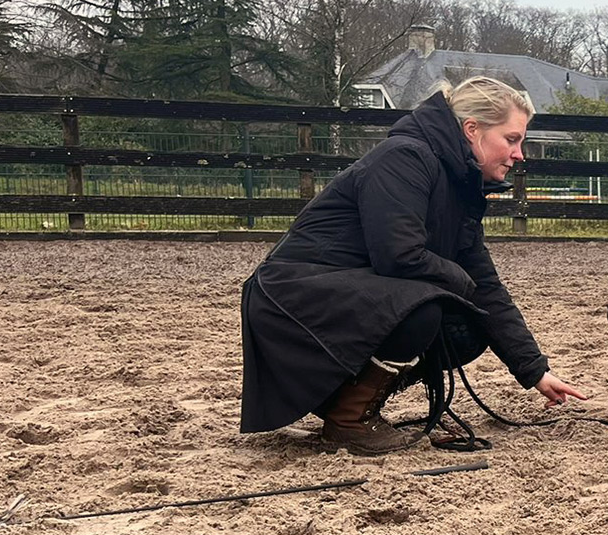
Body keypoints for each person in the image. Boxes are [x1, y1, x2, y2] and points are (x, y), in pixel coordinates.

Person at [240, 76, 584, 453]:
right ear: (473, 130)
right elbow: (399, 256)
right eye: (513, 139)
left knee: (466, 327)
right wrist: (461, 284)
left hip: (341, 295)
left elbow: (487, 287)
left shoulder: (460, 187)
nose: (520, 154)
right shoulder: (405, 157)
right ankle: (349, 418)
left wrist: (535, 371)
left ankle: (349, 402)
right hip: (293, 297)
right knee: (426, 309)